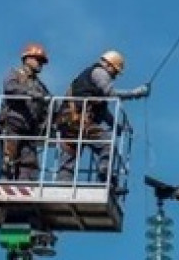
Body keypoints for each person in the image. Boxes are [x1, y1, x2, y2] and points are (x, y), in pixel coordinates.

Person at [55, 49, 149, 184]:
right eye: (115, 72)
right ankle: (105, 176)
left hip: (68, 121)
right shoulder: (99, 72)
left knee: (70, 154)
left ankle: (63, 184)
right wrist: (135, 93)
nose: (114, 76)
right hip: (79, 121)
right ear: (109, 65)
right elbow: (111, 93)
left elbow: (102, 111)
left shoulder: (90, 83)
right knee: (107, 144)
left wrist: (115, 126)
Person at [0, 42, 52, 181]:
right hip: (12, 125)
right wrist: (29, 92)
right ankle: (4, 187)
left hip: (29, 130)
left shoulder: (39, 85)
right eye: (38, 60)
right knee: (8, 162)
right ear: (27, 59)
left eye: (41, 61)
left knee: (29, 165)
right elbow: (10, 88)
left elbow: (48, 102)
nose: (40, 64)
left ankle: (24, 187)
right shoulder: (15, 74)